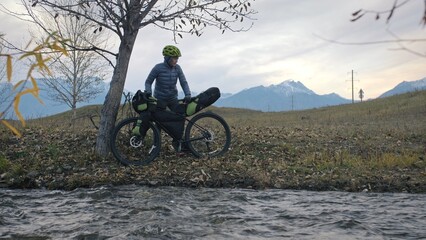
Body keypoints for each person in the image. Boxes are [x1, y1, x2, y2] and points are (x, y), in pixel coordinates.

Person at [132, 45, 191, 152]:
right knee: (158, 122)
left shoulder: (178, 68)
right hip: (159, 99)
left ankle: (177, 143)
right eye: (174, 58)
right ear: (167, 58)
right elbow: (148, 82)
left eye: (177, 58)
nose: (176, 60)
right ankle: (156, 147)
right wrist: (148, 92)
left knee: (179, 118)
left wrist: (188, 94)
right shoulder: (158, 68)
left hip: (173, 99)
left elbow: (183, 82)